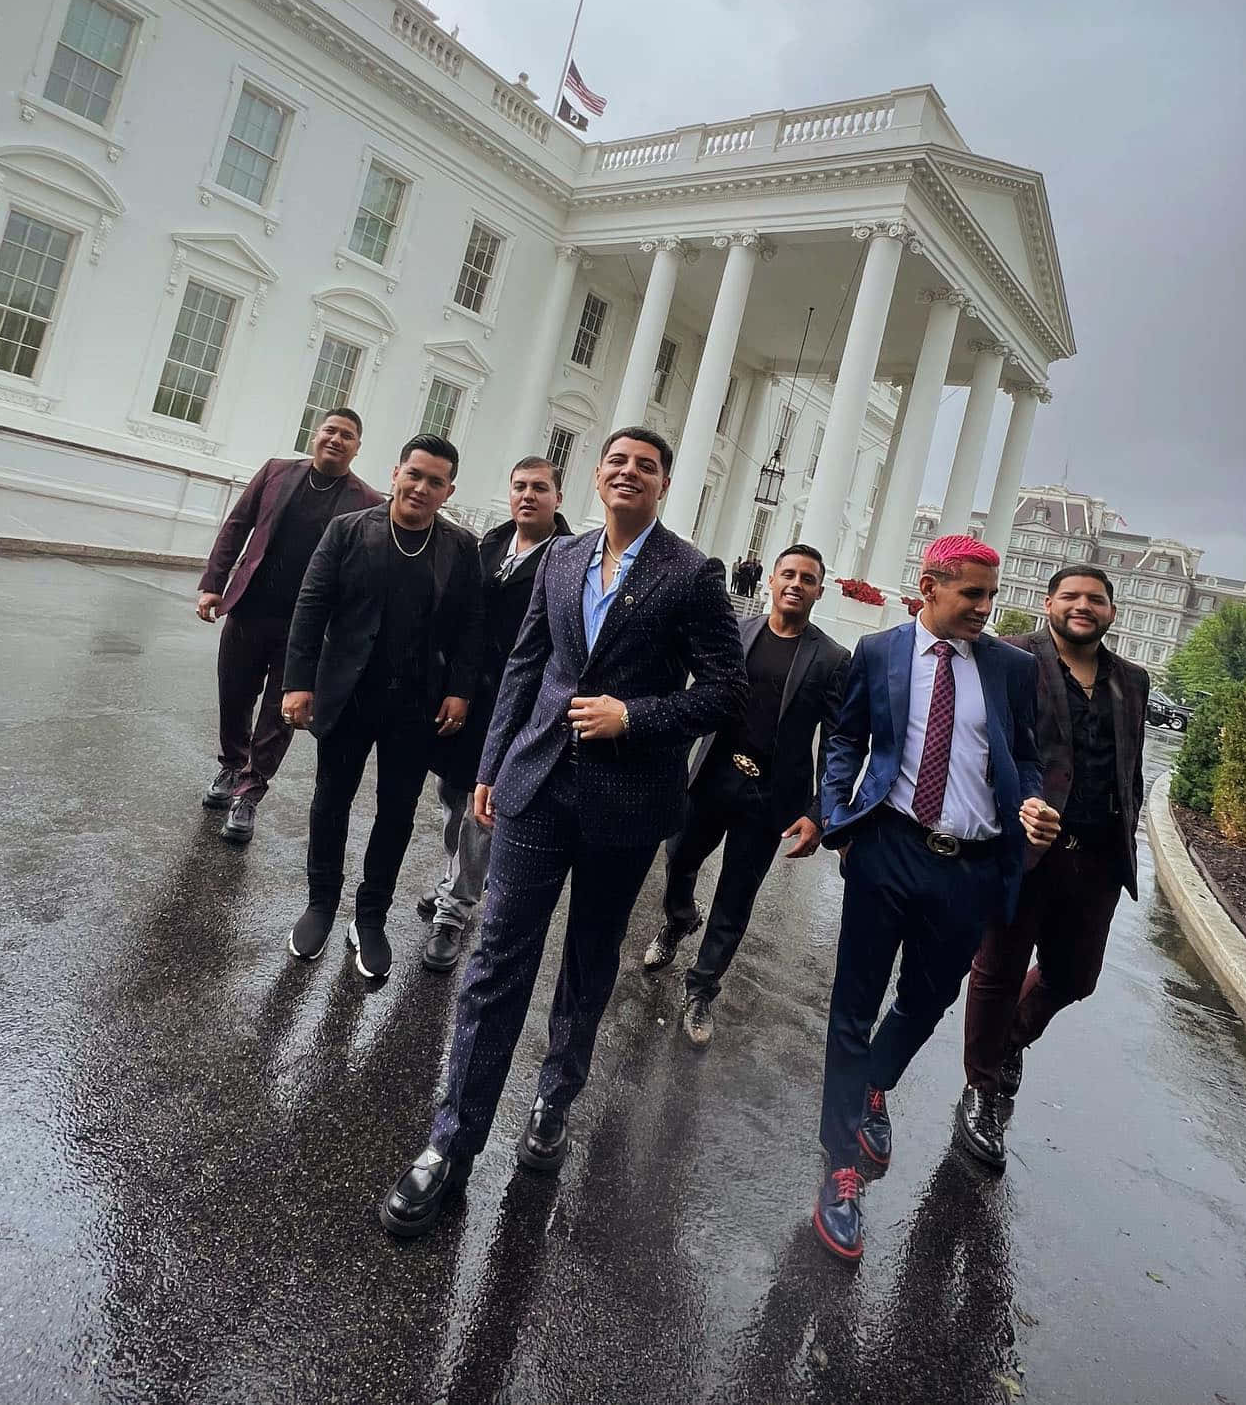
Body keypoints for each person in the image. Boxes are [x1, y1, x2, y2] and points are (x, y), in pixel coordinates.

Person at [378, 427, 747, 1239]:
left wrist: (636, 716)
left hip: (625, 803)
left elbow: (726, 691)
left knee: (587, 963)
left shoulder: (692, 575)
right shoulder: (562, 557)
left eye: (645, 465)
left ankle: (553, 1098)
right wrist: (491, 763)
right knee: (497, 959)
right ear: (597, 474)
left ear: (663, 483)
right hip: (538, 787)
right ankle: (451, 1143)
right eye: (615, 460)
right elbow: (525, 665)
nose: (627, 471)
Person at [811, 535, 1057, 1265]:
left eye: (991, 594)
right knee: (852, 1007)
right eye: (972, 595)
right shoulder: (881, 652)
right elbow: (846, 739)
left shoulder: (1011, 668)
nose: (986, 608)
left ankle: (873, 1086)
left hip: (971, 868)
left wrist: (1035, 802)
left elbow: (1030, 756)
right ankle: (840, 1169)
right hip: (887, 847)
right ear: (930, 585)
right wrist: (838, 818)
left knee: (926, 1000)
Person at [957, 565, 1148, 1169]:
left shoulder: (1132, 681)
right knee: (997, 969)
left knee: (1076, 975)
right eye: (1070, 596)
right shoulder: (1011, 658)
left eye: (1095, 599)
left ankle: (1007, 1039)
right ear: (1048, 603)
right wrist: (1007, 813)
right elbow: (978, 746)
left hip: (1096, 856)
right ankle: (982, 1089)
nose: (1082, 606)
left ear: (1112, 612)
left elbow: (1130, 765)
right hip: (1023, 849)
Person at [280, 435, 483, 981]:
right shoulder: (348, 530)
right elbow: (311, 605)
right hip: (348, 694)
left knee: (396, 813)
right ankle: (321, 905)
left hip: (416, 706)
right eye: (414, 474)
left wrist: (460, 690)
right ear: (396, 472)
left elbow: (470, 627)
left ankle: (370, 918)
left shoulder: (460, 548)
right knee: (332, 800)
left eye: (435, 481)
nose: (421, 486)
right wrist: (297, 683)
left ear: (448, 491)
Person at [643, 543, 849, 1046]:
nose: (796, 584)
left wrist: (820, 812)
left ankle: (701, 989)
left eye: (807, 578)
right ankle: (678, 921)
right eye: (789, 574)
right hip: (713, 775)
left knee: (737, 895)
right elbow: (697, 698)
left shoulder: (832, 658)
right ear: (770, 581)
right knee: (678, 858)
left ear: (819, 589)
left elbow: (839, 740)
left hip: (770, 797)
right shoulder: (736, 632)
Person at [194, 409, 383, 844]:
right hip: (249, 608)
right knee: (235, 693)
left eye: (347, 435)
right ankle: (230, 765)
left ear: (357, 447)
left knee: (280, 715)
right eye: (331, 430)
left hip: (307, 630)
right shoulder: (276, 472)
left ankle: (250, 791)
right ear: (316, 435)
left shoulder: (368, 502)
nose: (337, 439)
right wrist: (212, 584)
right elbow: (236, 527)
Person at [417, 455, 572, 974]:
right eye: (520, 486)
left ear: (558, 498)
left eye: (540, 488)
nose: (528, 496)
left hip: (518, 707)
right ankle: (453, 879)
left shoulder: (569, 559)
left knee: (482, 810)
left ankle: (454, 913)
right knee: (449, 795)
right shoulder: (487, 545)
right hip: (466, 694)